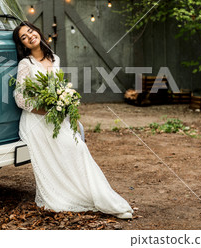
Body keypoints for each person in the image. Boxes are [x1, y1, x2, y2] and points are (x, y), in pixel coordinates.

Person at [12, 21, 133, 219]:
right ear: (23, 45)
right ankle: (70, 195)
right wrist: (44, 110)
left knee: (78, 148)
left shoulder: (55, 58)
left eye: (31, 31)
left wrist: (66, 103)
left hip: (56, 116)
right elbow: (20, 98)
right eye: (24, 37)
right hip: (35, 120)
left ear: (38, 32)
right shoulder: (26, 64)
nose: (30, 36)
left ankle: (101, 197)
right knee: (69, 148)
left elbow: (57, 88)